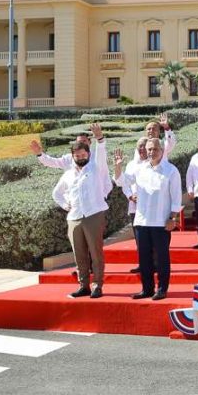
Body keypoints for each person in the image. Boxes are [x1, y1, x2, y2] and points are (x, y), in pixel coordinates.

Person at [50, 123, 109, 299]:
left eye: (83, 155)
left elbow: (101, 154)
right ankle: (83, 285)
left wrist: (99, 139)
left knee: (96, 253)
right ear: (73, 156)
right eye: (77, 156)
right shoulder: (68, 174)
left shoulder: (96, 167)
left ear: (88, 154)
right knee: (79, 254)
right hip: (74, 218)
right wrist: (65, 204)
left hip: (93, 215)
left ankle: (97, 285)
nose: (81, 157)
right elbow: (56, 193)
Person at [120, 138, 181, 301]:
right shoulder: (140, 169)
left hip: (161, 222)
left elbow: (176, 197)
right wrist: (118, 166)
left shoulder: (171, 170)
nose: (151, 152)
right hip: (141, 221)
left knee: (161, 257)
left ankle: (162, 288)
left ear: (161, 150)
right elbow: (121, 181)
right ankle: (147, 288)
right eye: (149, 150)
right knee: (144, 257)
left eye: (154, 149)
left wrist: (172, 217)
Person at [115, 137, 149, 274]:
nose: (142, 149)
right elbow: (122, 182)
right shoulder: (131, 165)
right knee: (140, 239)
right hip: (135, 207)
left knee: (153, 238)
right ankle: (143, 264)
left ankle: (156, 264)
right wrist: (130, 196)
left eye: (145, 146)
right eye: (140, 146)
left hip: (153, 208)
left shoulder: (157, 163)